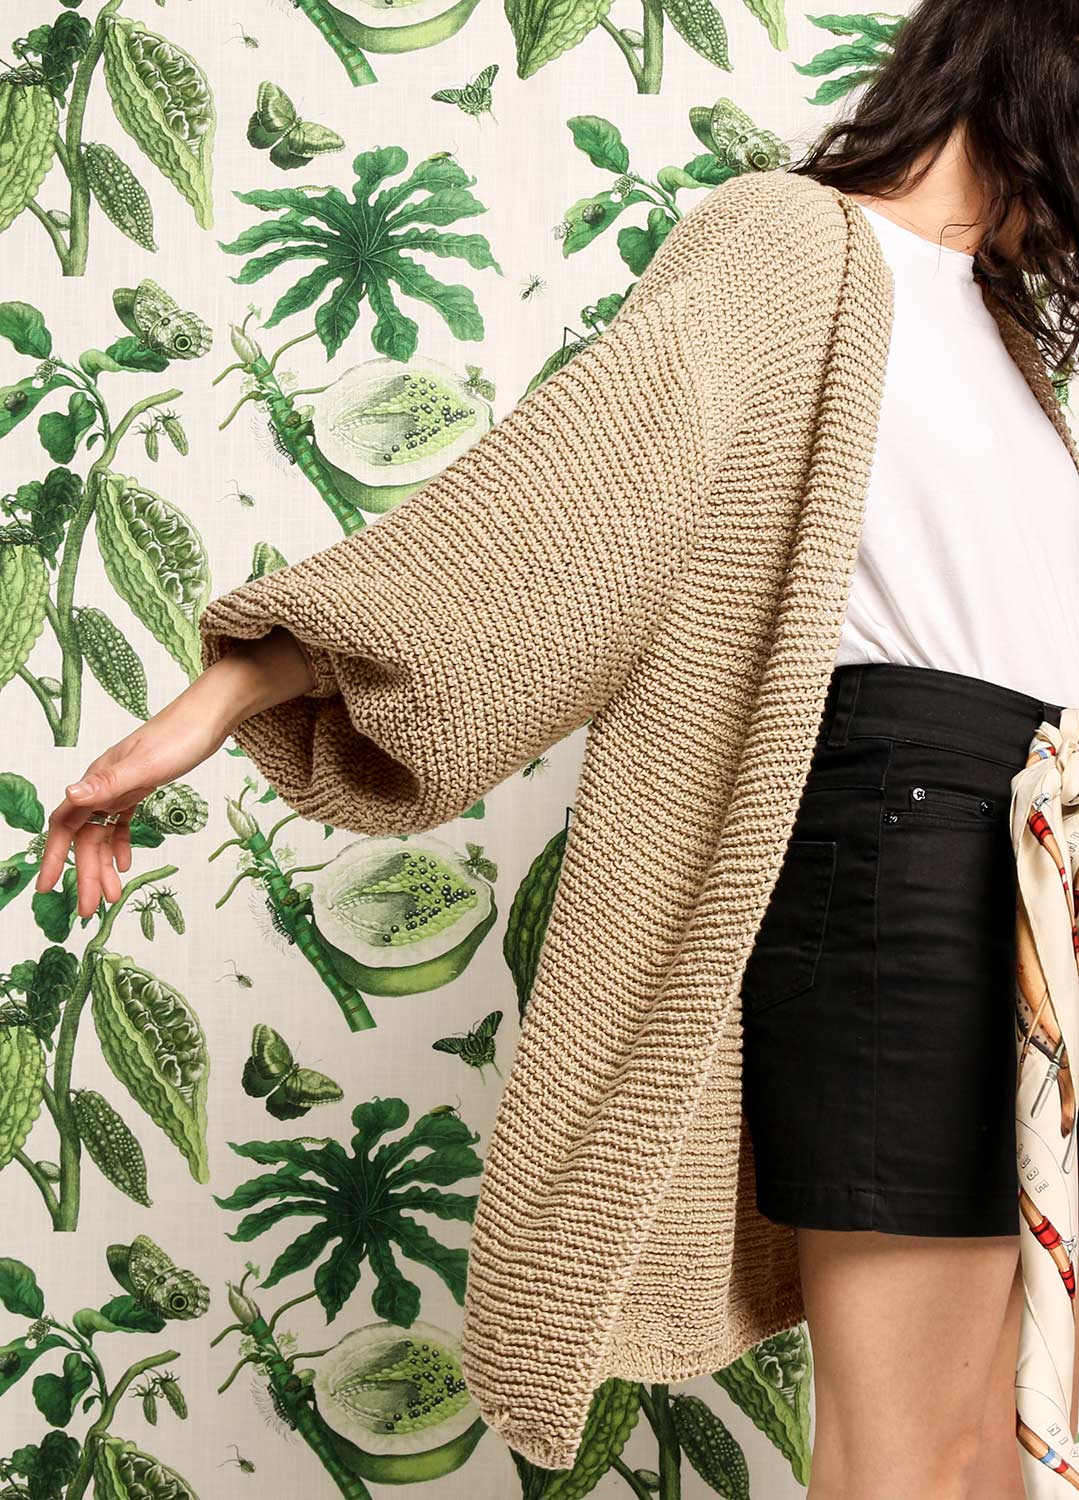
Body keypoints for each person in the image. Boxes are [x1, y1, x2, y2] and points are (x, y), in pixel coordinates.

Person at [32, 2, 1079, 1494]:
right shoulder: (795, 246)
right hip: (902, 868)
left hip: (1033, 884)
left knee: (996, 1453)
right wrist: (233, 688)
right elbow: (572, 512)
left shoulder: (997, 328)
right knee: (907, 1458)